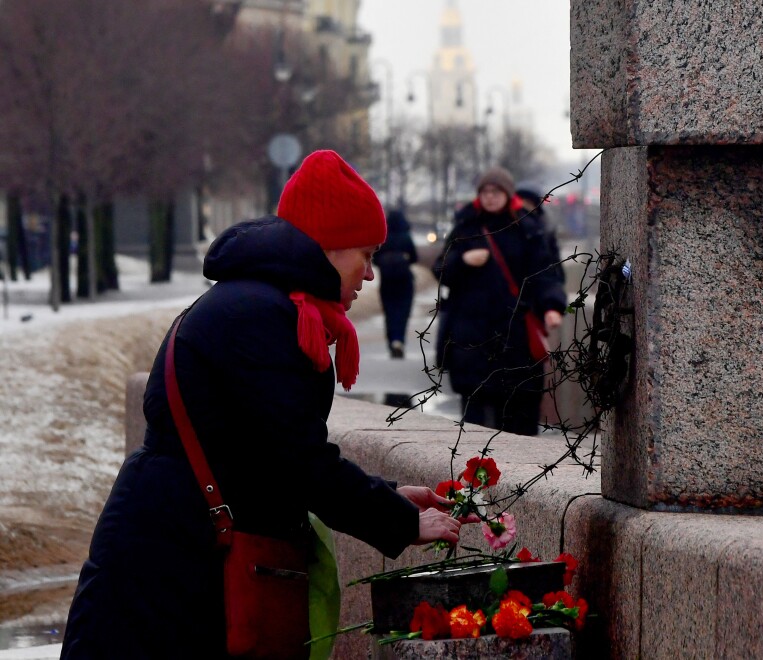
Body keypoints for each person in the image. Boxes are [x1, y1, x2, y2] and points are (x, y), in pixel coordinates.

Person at [61, 150, 465, 659]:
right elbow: (298, 460)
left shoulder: (257, 303)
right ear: (329, 245)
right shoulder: (263, 317)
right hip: (172, 565)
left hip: (172, 547)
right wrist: (398, 520)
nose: (368, 273)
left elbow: (269, 453)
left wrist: (388, 496)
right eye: (364, 254)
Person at [432, 166, 567, 436]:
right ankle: (474, 473)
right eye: (485, 192)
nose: (490, 197)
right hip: (472, 335)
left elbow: (545, 274)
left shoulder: (526, 229)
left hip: (514, 333)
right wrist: (462, 261)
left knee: (520, 415)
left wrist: (552, 306)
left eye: (496, 192)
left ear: (507, 194)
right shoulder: (466, 227)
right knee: (474, 417)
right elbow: (441, 269)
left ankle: (520, 473)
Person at [373, 208, 418, 359]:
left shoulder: (383, 237)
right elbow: (414, 258)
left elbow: (375, 258)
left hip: (387, 281)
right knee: (402, 313)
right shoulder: (406, 237)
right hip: (405, 281)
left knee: (389, 312)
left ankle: (392, 341)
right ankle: (400, 340)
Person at [516, 184, 566, 286]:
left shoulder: (544, 228)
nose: (524, 206)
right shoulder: (511, 226)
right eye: (522, 201)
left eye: (529, 202)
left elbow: (553, 259)